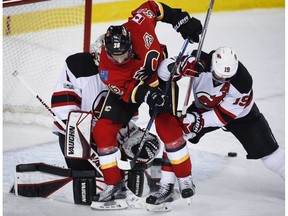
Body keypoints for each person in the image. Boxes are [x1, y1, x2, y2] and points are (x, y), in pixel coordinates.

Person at [92, 0, 202, 203]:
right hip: (131, 88)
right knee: (103, 130)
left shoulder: (139, 25)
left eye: (123, 54)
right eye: (113, 56)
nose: (118, 60)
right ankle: (114, 184)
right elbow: (129, 91)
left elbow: (153, 6)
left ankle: (185, 178)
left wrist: (180, 20)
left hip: (160, 77)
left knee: (168, 127)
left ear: (130, 44)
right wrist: (149, 95)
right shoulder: (107, 70)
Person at [149, 46, 285, 205]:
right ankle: (167, 185)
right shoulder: (198, 60)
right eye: (218, 75)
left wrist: (196, 120)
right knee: (175, 135)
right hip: (204, 108)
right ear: (212, 65)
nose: (221, 80)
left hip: (242, 115)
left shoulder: (242, 82)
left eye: (226, 78)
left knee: (270, 156)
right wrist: (179, 67)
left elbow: (222, 116)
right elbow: (162, 72)